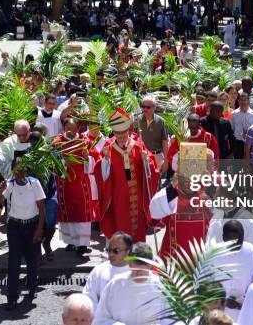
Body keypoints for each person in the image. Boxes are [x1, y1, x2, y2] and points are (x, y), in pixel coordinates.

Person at [95, 109, 160, 242]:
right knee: (120, 224)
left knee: (137, 227)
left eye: (124, 134)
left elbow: (150, 169)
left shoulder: (137, 145)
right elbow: (101, 172)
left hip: (137, 195)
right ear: (114, 133)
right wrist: (106, 160)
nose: (121, 137)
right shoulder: (109, 146)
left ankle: (137, 254)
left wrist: (145, 160)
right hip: (118, 195)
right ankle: (122, 254)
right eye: (118, 134)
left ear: (128, 131)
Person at [0, 159, 45, 309]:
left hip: (32, 225)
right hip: (15, 226)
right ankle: (12, 297)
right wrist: (1, 189)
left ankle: (32, 286)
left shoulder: (34, 183)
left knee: (32, 259)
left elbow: (41, 208)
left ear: (26, 170)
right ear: (14, 170)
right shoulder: (9, 184)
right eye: (17, 169)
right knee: (13, 262)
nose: (20, 172)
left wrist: (39, 229)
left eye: (22, 169)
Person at [93, 242, 168, 325]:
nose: (138, 275)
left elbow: (174, 319)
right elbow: (100, 319)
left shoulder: (161, 287)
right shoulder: (115, 284)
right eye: (134, 270)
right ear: (129, 264)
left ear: (150, 265)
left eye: (142, 271)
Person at [210, 220, 253, 322]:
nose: (235, 245)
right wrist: (221, 300)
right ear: (223, 238)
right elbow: (203, 283)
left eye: (238, 241)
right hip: (218, 312)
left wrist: (244, 299)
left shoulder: (252, 252)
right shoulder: (212, 254)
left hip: (246, 309)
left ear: (243, 237)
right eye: (231, 242)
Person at [53, 118, 95, 254]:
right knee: (68, 213)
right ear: (64, 128)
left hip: (81, 183)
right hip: (65, 184)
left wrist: (87, 157)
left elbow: (92, 161)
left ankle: (82, 244)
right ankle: (70, 242)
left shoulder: (85, 141)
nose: (71, 132)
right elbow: (53, 161)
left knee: (82, 212)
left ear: (78, 128)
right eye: (68, 129)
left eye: (74, 129)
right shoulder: (57, 143)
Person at [82, 231, 132, 309]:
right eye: (109, 250)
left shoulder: (136, 272)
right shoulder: (99, 270)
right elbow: (88, 297)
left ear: (128, 251)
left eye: (116, 251)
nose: (111, 254)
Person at [136, 96, 169, 173]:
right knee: (144, 183)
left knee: (157, 183)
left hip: (157, 157)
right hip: (142, 157)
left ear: (154, 108)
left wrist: (166, 161)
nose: (145, 109)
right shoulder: (137, 120)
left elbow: (164, 142)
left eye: (148, 107)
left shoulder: (161, 121)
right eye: (143, 106)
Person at [230, 92, 253, 160]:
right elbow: (232, 128)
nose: (243, 102)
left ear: (248, 101)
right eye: (241, 100)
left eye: (245, 100)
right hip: (238, 141)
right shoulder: (234, 113)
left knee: (249, 161)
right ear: (238, 101)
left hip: (250, 142)